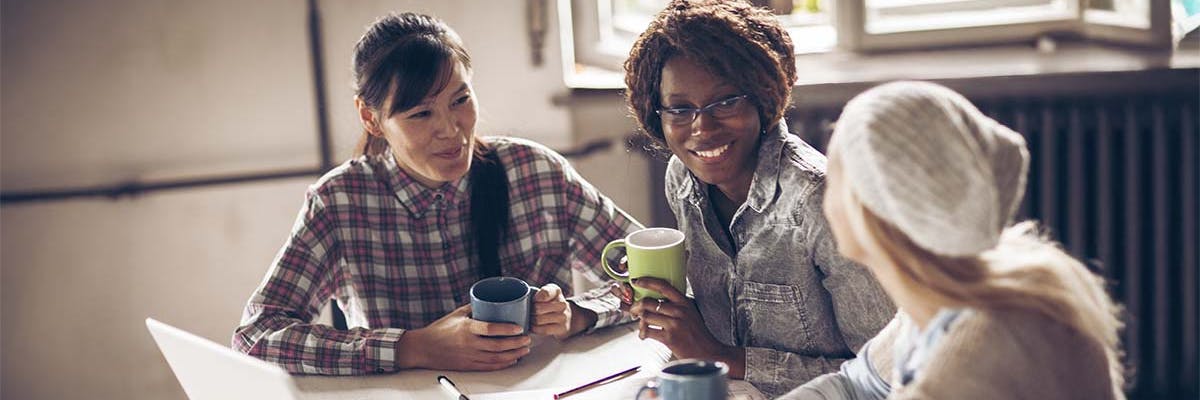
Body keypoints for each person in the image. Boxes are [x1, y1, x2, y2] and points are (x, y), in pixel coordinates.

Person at [231, 12, 641, 375]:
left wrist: (581, 314)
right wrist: (413, 347)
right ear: (371, 118)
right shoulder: (340, 202)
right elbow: (256, 335)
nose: (450, 129)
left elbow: (653, 273)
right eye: (420, 114)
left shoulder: (535, 172)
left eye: (460, 100)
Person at [778, 81, 1125, 399]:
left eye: (835, 177)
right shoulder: (941, 297)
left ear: (869, 212)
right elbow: (855, 385)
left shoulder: (967, 365)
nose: (825, 193)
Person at [618, 0, 894, 396]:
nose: (702, 128)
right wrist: (677, 312)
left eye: (726, 102)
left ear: (762, 99)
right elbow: (732, 308)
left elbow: (885, 374)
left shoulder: (821, 202)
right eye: (679, 109)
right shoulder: (683, 178)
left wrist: (720, 355)